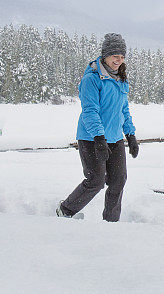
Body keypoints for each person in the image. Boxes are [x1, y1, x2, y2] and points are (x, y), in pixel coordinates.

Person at [57, 33, 139, 221]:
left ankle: (111, 221)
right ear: (105, 55)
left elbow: (124, 110)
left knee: (118, 181)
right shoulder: (92, 79)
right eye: (115, 56)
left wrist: (131, 135)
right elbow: (90, 111)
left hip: (115, 138)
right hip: (91, 138)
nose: (119, 60)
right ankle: (66, 210)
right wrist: (99, 138)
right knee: (96, 181)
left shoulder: (121, 79)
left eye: (122, 56)